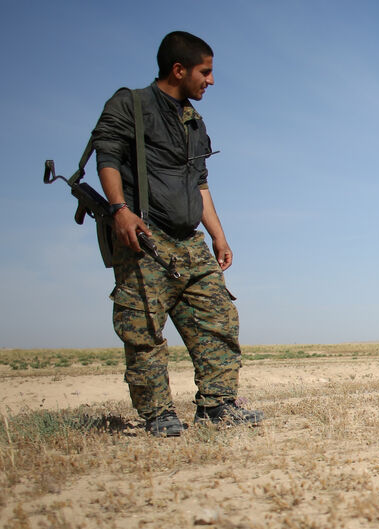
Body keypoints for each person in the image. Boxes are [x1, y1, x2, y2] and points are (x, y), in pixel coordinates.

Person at [91, 30, 262, 437]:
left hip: (190, 240)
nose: (211, 81)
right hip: (145, 237)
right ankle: (158, 414)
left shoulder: (194, 122)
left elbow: (199, 184)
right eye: (206, 72)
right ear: (179, 69)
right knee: (145, 328)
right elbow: (108, 154)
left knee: (218, 318)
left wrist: (219, 236)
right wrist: (120, 211)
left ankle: (218, 405)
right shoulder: (131, 104)